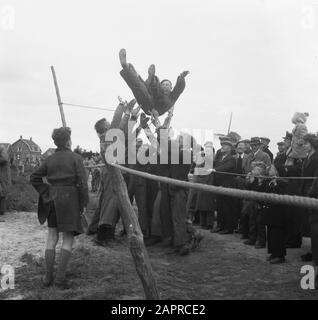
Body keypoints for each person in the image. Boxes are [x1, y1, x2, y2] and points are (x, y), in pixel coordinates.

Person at [30, 127, 89, 289]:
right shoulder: (76, 158)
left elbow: (34, 177)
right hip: (70, 201)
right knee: (68, 238)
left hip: (52, 200)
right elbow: (83, 184)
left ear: (56, 142)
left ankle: (48, 277)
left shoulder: (49, 159)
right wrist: (84, 203)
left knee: (52, 236)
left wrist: (46, 191)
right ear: (69, 140)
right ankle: (60, 279)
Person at [119, 48, 189, 116]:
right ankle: (126, 66)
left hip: (160, 109)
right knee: (140, 85)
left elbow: (179, 88)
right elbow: (146, 87)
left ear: (171, 87)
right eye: (163, 84)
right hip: (149, 102)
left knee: (156, 91)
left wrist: (181, 77)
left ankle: (152, 79)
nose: (165, 85)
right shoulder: (157, 91)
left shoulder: (173, 95)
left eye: (167, 84)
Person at [263, 166, 288, 264]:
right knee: (271, 233)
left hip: (279, 212)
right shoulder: (269, 181)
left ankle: (280, 255)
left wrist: (276, 184)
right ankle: (273, 252)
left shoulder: (282, 182)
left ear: (277, 171)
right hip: (271, 211)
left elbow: (283, 195)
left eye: (272, 169)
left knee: (278, 234)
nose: (269, 170)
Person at [300, 134, 318, 263]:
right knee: (312, 224)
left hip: (314, 194)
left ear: (311, 144)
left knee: (314, 223)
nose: (303, 146)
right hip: (307, 192)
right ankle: (313, 251)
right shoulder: (307, 157)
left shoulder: (316, 157)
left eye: (305, 143)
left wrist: (310, 194)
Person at [212, 138, 237, 234]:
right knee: (220, 206)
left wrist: (215, 170)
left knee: (227, 207)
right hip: (220, 185)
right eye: (222, 145)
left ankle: (228, 227)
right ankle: (220, 225)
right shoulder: (220, 157)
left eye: (225, 145)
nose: (222, 146)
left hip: (228, 185)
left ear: (230, 148)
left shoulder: (232, 158)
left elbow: (226, 167)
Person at [0, 145, 11, 221]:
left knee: (2, 192)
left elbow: (4, 159)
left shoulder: (2, 148)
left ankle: (1, 211)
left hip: (2, 174)